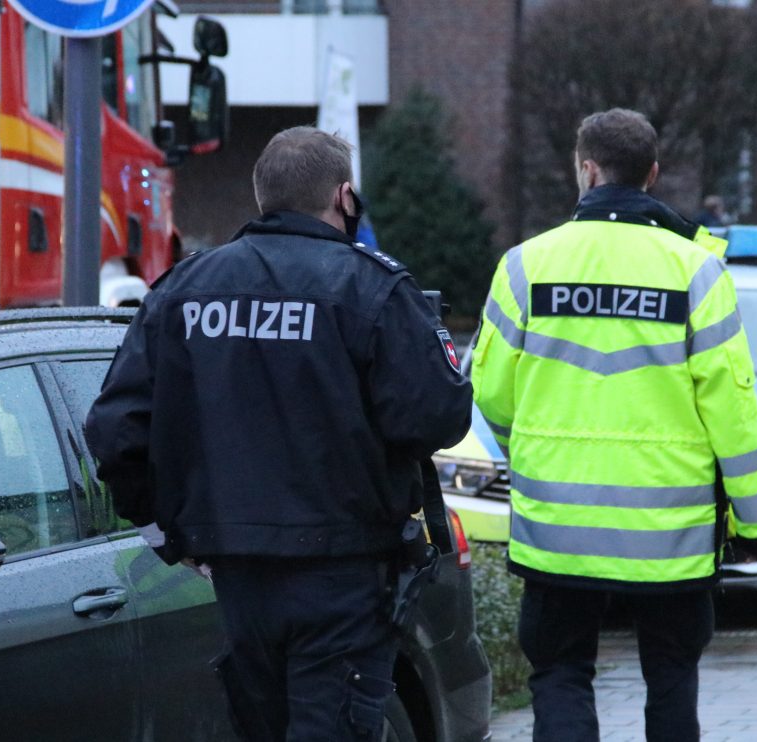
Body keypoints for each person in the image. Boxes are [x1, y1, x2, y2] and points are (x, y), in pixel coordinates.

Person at [84, 126, 473, 741]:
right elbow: (439, 417)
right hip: (344, 572)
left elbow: (115, 430)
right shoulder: (373, 286)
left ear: (262, 196)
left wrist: (164, 530)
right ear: (345, 197)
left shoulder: (183, 291)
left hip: (236, 574)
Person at [471, 108, 757, 742]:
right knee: (670, 677)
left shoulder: (525, 267)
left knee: (559, 673)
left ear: (586, 170)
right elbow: (733, 411)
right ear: (654, 175)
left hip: (557, 529)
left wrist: (531, 454)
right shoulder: (697, 272)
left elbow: (492, 396)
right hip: (670, 538)